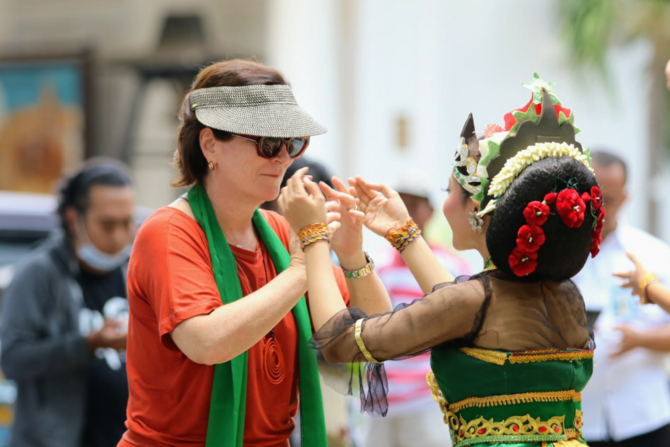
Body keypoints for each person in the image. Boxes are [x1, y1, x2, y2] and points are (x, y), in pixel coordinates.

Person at [280, 75, 601, 447]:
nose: (445, 201)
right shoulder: (565, 295)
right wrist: (402, 234)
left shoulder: (474, 302)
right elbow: (463, 306)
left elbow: (339, 343)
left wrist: (314, 236)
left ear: (476, 211)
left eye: (449, 190)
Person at [119, 59, 392, 447]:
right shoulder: (168, 231)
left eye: (293, 143)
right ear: (210, 143)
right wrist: (304, 265)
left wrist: (352, 259)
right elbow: (206, 342)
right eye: (267, 144)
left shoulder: (281, 233)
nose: (283, 158)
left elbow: (372, 339)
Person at [0, 160, 136, 447]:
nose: (119, 237)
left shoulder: (135, 269)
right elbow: (13, 359)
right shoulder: (38, 274)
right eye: (108, 224)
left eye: (127, 223)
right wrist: (88, 344)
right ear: (74, 219)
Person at [352, 171, 470, 447]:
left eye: (414, 204)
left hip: (426, 400)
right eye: (403, 202)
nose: (409, 210)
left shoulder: (450, 266)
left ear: (429, 211)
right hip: (382, 400)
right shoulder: (378, 265)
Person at [571, 151, 670, 447]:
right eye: (593, 198)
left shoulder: (654, 254)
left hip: (643, 412)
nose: (600, 209)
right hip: (578, 417)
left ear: (626, 197)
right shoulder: (557, 258)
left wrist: (640, 339)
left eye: (609, 200)